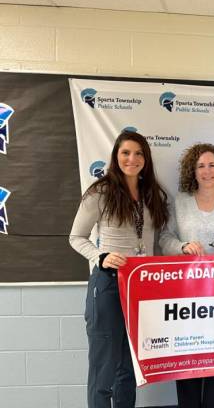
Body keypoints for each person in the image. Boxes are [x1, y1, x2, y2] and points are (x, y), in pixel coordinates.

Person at [69, 130, 169, 408]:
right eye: (125, 152)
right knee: (104, 367)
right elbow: (76, 237)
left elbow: (158, 241)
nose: (132, 159)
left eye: (138, 153)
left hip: (140, 287)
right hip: (109, 284)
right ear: (116, 156)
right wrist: (100, 256)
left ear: (145, 159)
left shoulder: (153, 194)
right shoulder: (100, 192)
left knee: (128, 366)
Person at [159, 143, 214, 408]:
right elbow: (164, 238)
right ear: (192, 172)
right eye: (201, 166)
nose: (207, 171)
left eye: (212, 165)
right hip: (187, 294)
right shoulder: (180, 201)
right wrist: (182, 247)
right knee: (188, 358)